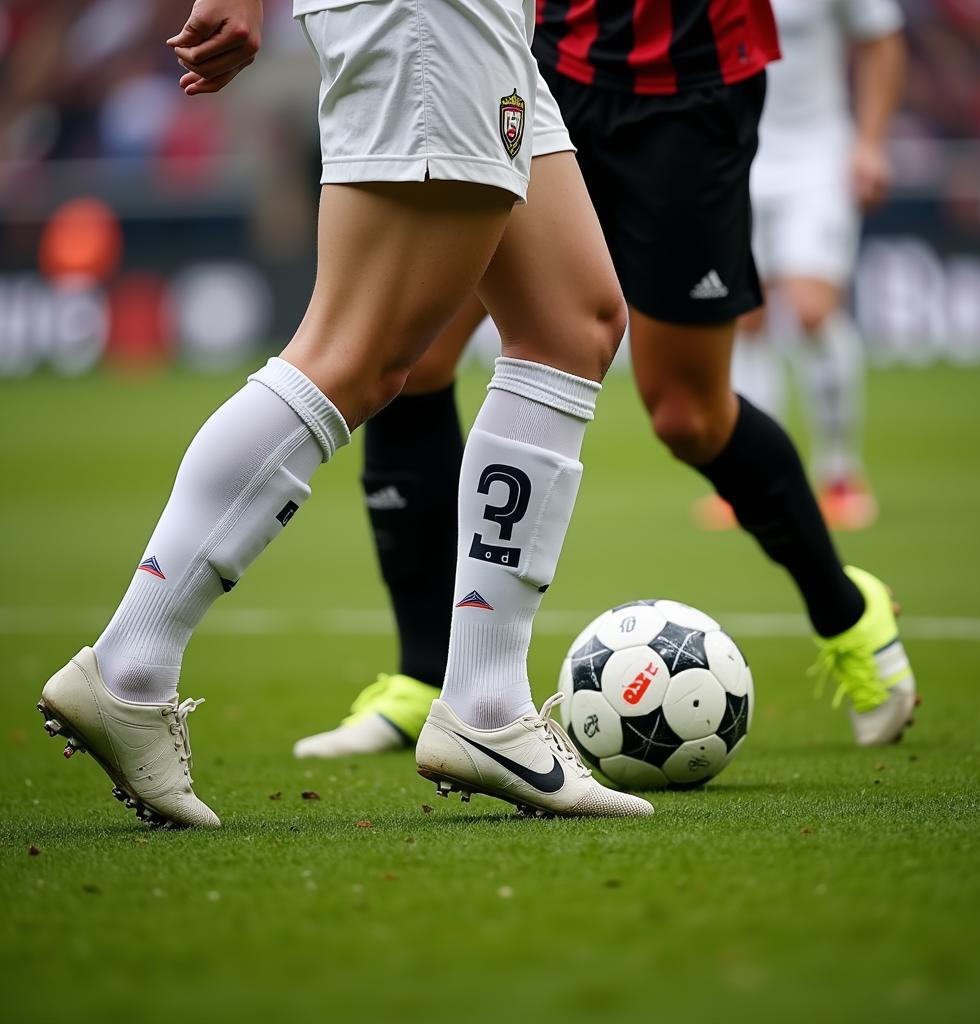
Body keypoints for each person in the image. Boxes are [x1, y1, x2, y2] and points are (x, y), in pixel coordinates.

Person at [36, 0, 656, 827]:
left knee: (572, 323)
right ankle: (130, 668)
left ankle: (485, 703)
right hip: (435, 19)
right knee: (353, 355)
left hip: (484, 23)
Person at [295, 0, 917, 762]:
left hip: (690, 87)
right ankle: (427, 675)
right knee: (415, 356)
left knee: (688, 413)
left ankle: (850, 614)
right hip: (536, 64)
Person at [728, 0, 906, 531]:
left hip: (816, 158)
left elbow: (882, 43)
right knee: (744, 316)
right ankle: (759, 477)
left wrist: (871, 143)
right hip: (734, 154)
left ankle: (839, 471)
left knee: (810, 308)